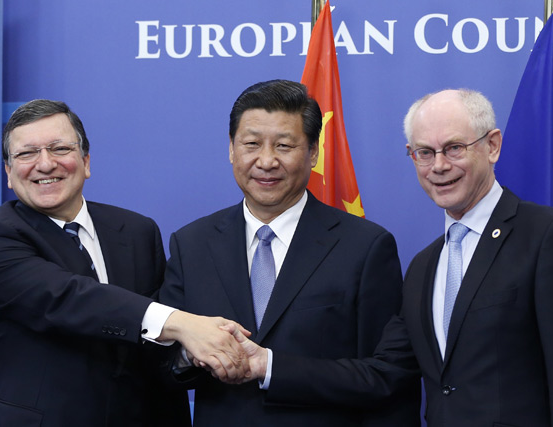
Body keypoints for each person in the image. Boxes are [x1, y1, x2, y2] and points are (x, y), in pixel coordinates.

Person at [226, 89, 553, 426]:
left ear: (492, 146)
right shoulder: (424, 267)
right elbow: (384, 373)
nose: (438, 166)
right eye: (424, 153)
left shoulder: (546, 236)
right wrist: (265, 363)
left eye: (454, 148)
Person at [158, 79, 421, 426]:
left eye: (284, 145)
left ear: (313, 152)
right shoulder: (191, 243)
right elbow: (162, 369)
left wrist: (271, 367)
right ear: (232, 150)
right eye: (251, 144)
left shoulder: (365, 246)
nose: (266, 161)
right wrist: (190, 356)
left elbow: (386, 374)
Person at [0, 100, 250, 427]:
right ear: (9, 174)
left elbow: (152, 344)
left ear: (86, 161)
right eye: (27, 154)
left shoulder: (137, 230)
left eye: (59, 148)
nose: (45, 163)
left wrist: (191, 352)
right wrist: (183, 324)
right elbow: (66, 297)